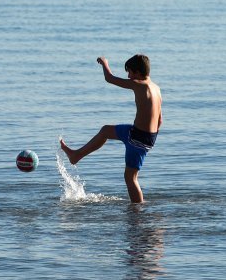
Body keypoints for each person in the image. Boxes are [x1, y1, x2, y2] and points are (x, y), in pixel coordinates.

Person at [60, 54, 162, 203]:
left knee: (130, 177)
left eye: (130, 72)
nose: (128, 76)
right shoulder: (156, 88)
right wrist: (149, 138)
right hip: (146, 136)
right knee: (106, 130)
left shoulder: (139, 84)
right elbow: (160, 120)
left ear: (139, 73)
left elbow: (110, 78)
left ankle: (138, 210)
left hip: (138, 137)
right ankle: (76, 155)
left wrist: (104, 63)